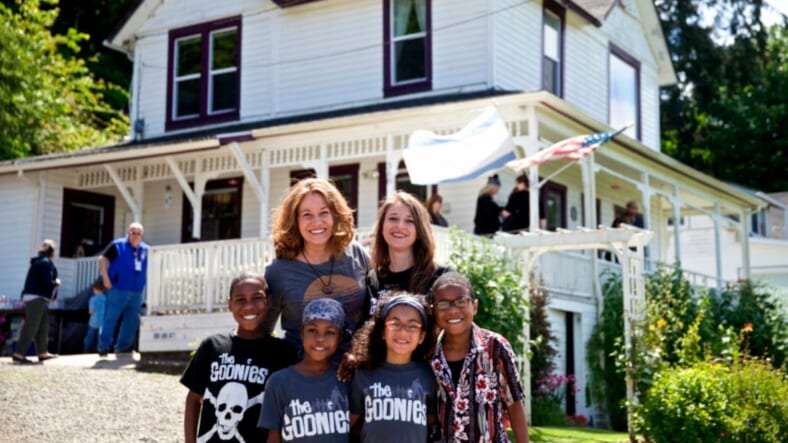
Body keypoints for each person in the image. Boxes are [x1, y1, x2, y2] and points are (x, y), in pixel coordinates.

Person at [181, 271, 297, 443]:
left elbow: (284, 411)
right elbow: (193, 398)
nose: (249, 306)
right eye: (240, 300)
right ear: (230, 304)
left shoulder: (283, 353)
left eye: (257, 298)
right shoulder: (212, 347)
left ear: (269, 301)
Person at [262, 178, 370, 356]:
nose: (317, 221)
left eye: (324, 212)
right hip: (302, 368)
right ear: (294, 220)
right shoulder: (278, 272)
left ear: (335, 215)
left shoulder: (356, 253)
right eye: (307, 214)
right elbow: (263, 330)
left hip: (355, 366)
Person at [429, 272, 529, 442]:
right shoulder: (431, 354)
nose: (453, 310)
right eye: (443, 304)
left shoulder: (495, 347)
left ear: (474, 307)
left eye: (461, 301)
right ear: (433, 310)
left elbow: (514, 402)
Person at [259, 298, 351, 442]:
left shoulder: (346, 378)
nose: (320, 338)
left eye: (330, 332)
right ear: (302, 333)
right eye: (312, 330)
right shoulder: (279, 382)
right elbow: (274, 437)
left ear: (339, 338)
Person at [349, 293, 436, 442]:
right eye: (395, 324)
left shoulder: (429, 374)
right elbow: (350, 421)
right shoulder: (364, 372)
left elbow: (432, 422)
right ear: (382, 331)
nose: (403, 331)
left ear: (422, 336)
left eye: (412, 326)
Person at [367, 191, 452, 316]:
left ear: (420, 230)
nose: (400, 226)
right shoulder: (373, 279)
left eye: (409, 220)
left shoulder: (442, 276)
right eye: (393, 218)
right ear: (381, 226)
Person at [97, 222, 149, 356]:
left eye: (138, 233)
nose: (135, 236)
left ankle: (123, 347)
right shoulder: (117, 245)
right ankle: (103, 347)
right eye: (133, 233)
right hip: (118, 289)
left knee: (131, 321)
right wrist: (105, 277)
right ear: (128, 233)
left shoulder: (146, 249)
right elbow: (102, 259)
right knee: (110, 318)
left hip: (137, 290)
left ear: (142, 235)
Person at [13, 239, 61, 364]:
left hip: (36, 297)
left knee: (43, 325)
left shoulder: (39, 261)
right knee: (31, 326)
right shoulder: (44, 263)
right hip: (36, 298)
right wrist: (56, 282)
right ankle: (19, 354)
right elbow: (47, 282)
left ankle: (42, 352)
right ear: (52, 252)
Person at [83, 278, 106, 353]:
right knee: (100, 339)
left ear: (95, 289)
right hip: (103, 322)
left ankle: (86, 351)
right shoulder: (106, 299)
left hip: (93, 322)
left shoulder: (93, 299)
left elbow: (91, 312)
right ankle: (100, 351)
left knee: (89, 339)